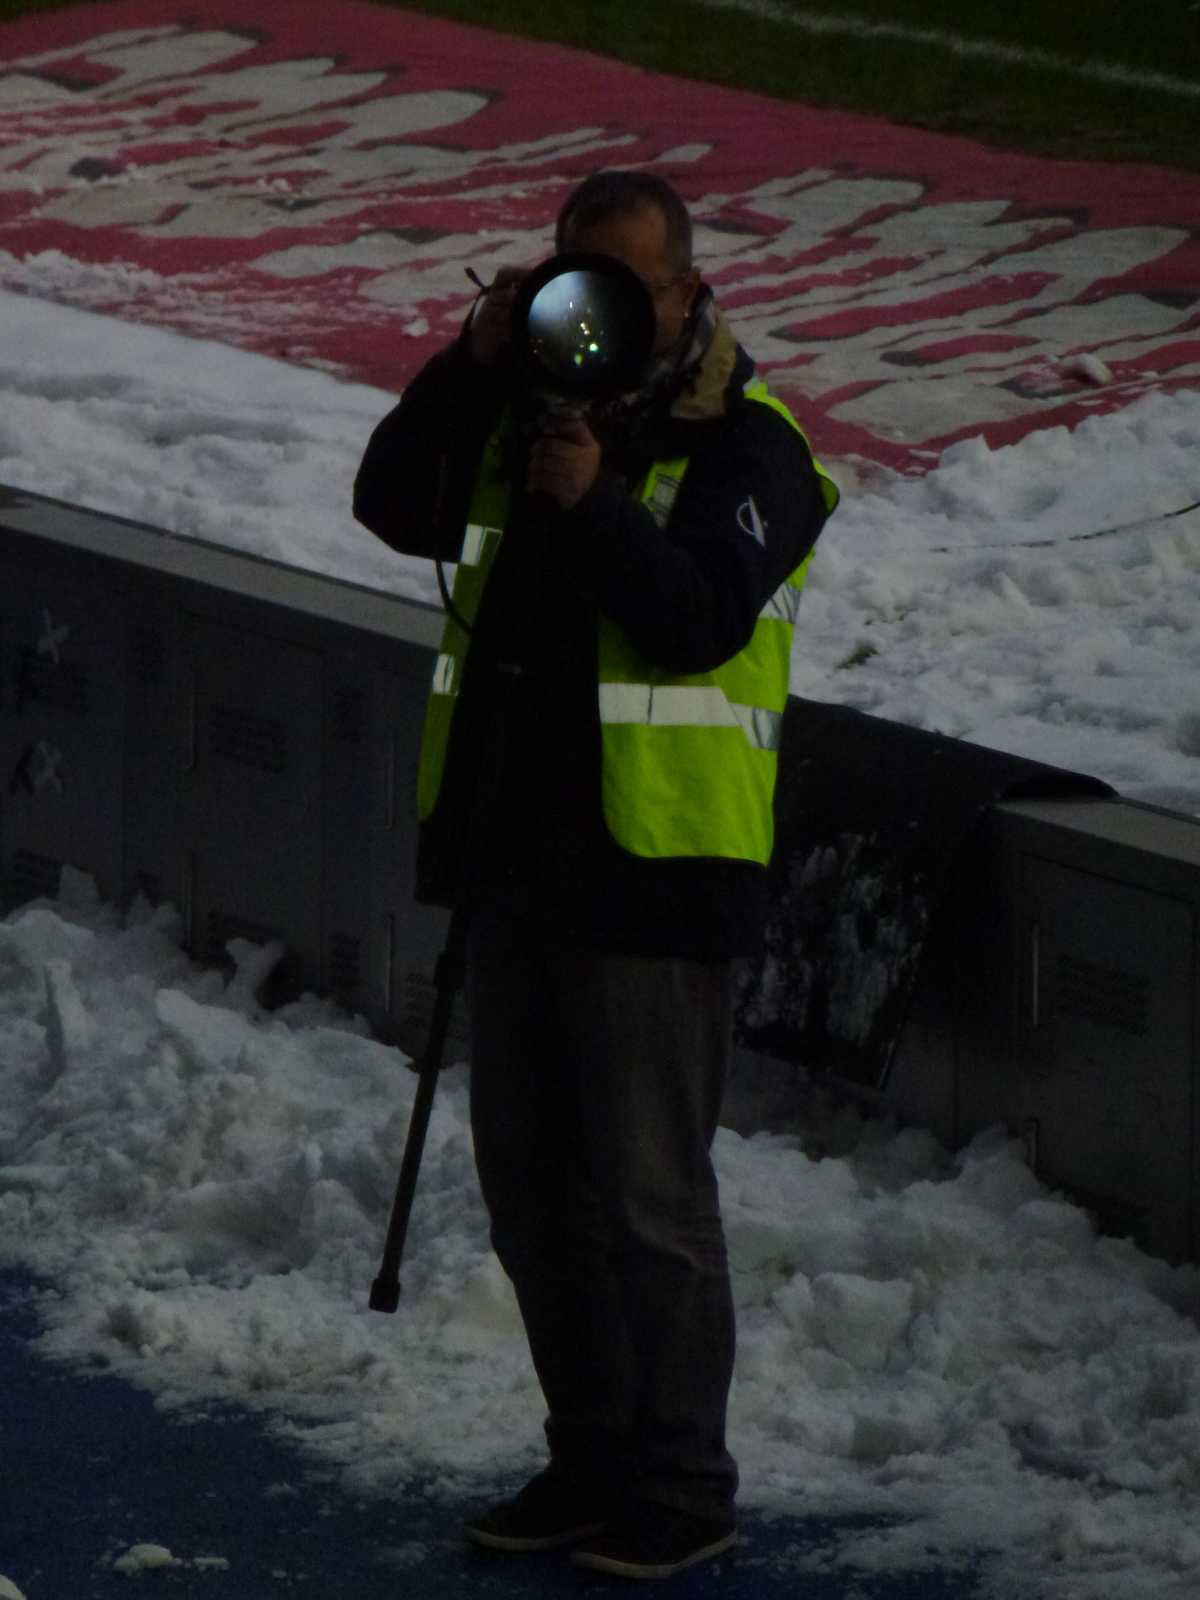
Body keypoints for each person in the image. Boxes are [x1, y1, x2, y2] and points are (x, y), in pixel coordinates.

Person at [353, 170, 838, 1581]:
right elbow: (394, 505)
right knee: (531, 1193)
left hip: (657, 883)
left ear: (687, 294)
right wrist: (475, 361)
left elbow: (696, 617)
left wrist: (600, 506)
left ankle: (682, 1489)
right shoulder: (523, 406)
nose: (605, 313)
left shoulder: (756, 445)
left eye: (633, 286)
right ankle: (589, 1458)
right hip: (515, 866)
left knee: (648, 1205)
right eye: (581, 280)